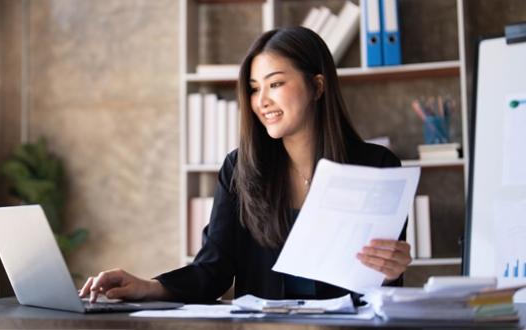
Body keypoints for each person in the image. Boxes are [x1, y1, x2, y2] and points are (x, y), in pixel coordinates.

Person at [79, 26, 412, 304]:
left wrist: (393, 271)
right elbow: (212, 271)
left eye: (276, 83)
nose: (262, 100)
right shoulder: (240, 169)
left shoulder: (377, 167)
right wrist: (146, 287)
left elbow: (381, 287)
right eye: (254, 89)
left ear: (318, 86)